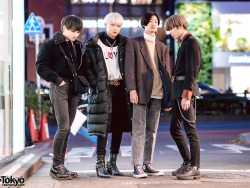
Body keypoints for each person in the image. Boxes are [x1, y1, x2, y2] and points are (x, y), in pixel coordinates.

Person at [82, 12, 131, 178]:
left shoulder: (124, 43)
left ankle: (112, 163)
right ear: (105, 25)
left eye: (119, 26)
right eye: (113, 25)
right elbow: (86, 68)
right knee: (103, 127)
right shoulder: (94, 44)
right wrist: (95, 84)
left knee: (118, 126)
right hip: (103, 89)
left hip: (120, 89)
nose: (116, 28)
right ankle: (100, 164)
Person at [36, 15, 84, 180]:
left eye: (78, 31)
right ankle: (55, 167)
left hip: (73, 89)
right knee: (63, 127)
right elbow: (41, 66)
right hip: (59, 88)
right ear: (64, 27)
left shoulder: (77, 45)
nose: (75, 34)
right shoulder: (50, 45)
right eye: (72, 30)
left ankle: (60, 166)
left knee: (68, 129)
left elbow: (80, 67)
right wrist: (58, 80)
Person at [125, 11, 172, 178]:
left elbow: (166, 72)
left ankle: (148, 163)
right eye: (150, 21)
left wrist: (169, 96)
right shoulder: (133, 43)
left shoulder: (163, 47)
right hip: (140, 92)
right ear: (144, 24)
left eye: (156, 21)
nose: (154, 24)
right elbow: (129, 69)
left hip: (158, 92)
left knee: (152, 130)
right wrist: (132, 90)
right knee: (138, 130)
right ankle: (137, 166)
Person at [165, 14, 202, 180]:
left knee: (190, 130)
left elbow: (192, 70)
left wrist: (187, 95)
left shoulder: (191, 42)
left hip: (185, 92)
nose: (169, 32)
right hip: (178, 91)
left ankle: (194, 166)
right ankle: (188, 162)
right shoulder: (184, 43)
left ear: (179, 25)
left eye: (171, 29)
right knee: (174, 129)